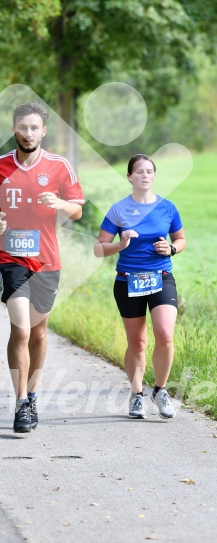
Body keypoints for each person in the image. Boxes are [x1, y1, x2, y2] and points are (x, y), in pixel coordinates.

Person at [0, 102, 84, 433]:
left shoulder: (59, 166)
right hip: (10, 257)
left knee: (40, 333)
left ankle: (33, 393)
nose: (28, 133)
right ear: (15, 129)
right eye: (22, 127)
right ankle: (20, 404)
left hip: (46, 260)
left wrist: (61, 204)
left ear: (43, 130)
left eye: (34, 127)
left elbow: (78, 210)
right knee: (21, 330)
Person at [94, 154, 186, 420]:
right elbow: (99, 248)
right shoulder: (119, 209)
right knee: (138, 342)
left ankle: (160, 390)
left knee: (165, 334)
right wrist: (120, 245)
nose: (145, 175)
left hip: (161, 277)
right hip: (127, 280)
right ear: (129, 177)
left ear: (154, 176)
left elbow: (181, 240)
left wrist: (170, 248)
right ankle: (136, 395)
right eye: (139, 171)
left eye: (149, 171)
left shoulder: (167, 207)